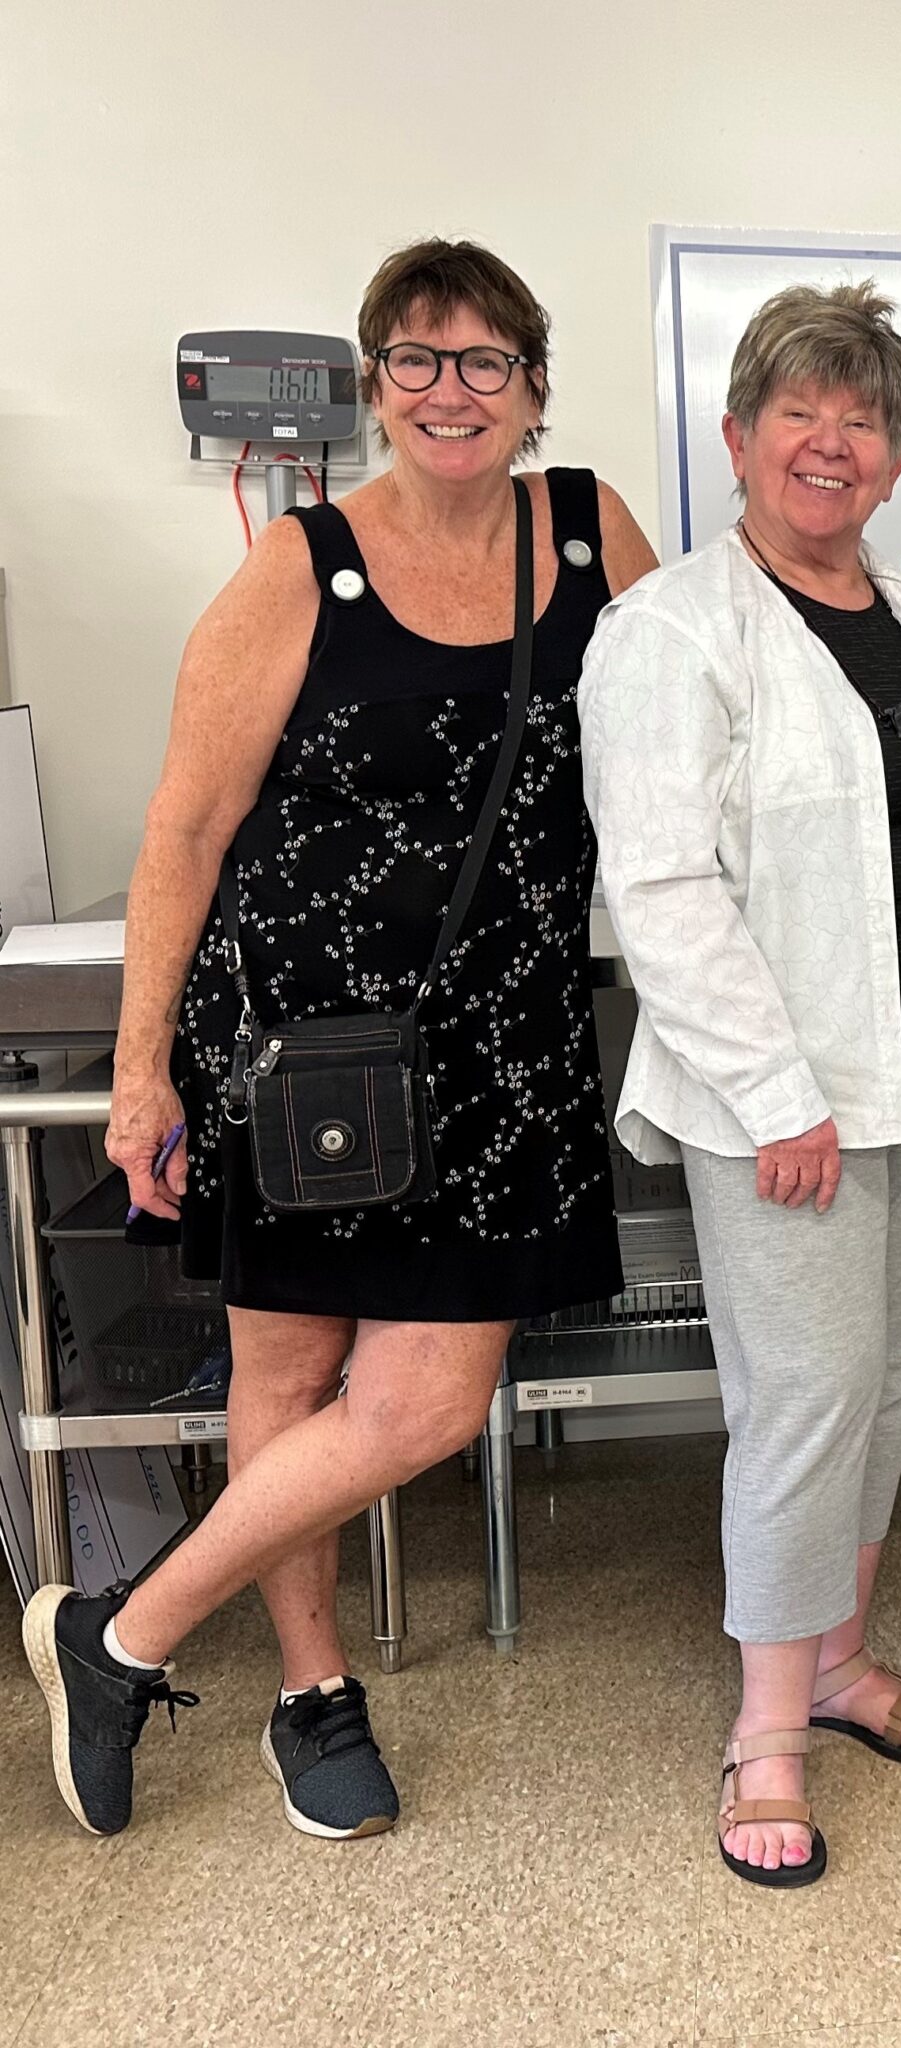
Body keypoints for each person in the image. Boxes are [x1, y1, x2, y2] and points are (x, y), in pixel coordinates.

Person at [22, 238, 658, 1842]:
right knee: (291, 1370)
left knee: (426, 1402)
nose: (452, 390)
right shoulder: (304, 567)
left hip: (506, 1049)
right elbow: (184, 831)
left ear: (533, 388)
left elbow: (687, 740)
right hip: (304, 1052)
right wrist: (142, 1073)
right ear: (376, 384)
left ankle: (119, 1633)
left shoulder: (593, 533)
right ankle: (310, 1694)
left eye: (485, 360)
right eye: (417, 360)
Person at [579, 283, 901, 1887]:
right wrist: (776, 1091)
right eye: (801, 410)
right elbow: (661, 889)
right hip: (785, 1105)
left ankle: (839, 1659)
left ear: (897, 458)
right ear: (737, 435)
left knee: (894, 1375)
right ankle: (766, 1729)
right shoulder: (672, 632)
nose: (832, 442)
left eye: (864, 419)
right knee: (801, 1401)